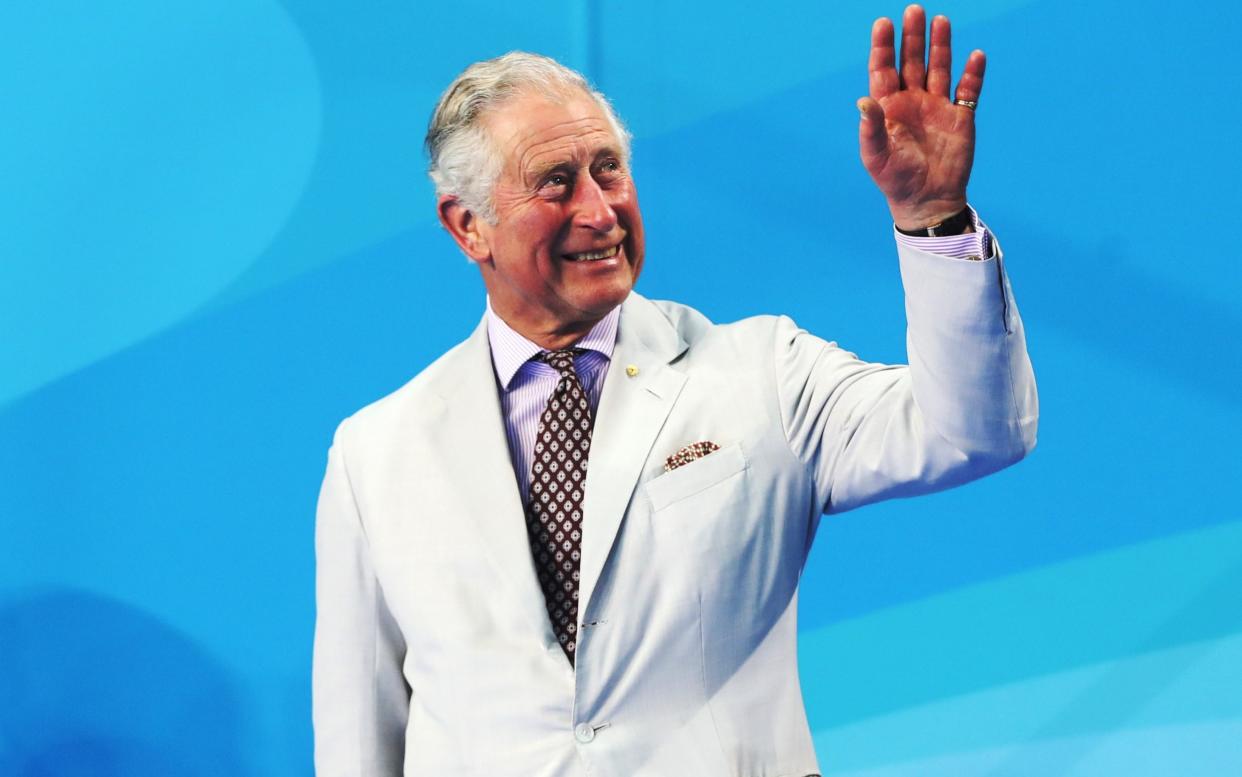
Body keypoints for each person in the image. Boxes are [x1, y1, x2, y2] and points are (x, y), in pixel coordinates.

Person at [312, 5, 1037, 775]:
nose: (599, 211)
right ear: (468, 227)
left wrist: (932, 221)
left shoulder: (763, 372)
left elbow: (973, 431)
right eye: (556, 182)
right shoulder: (376, 453)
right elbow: (360, 740)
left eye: (609, 169)